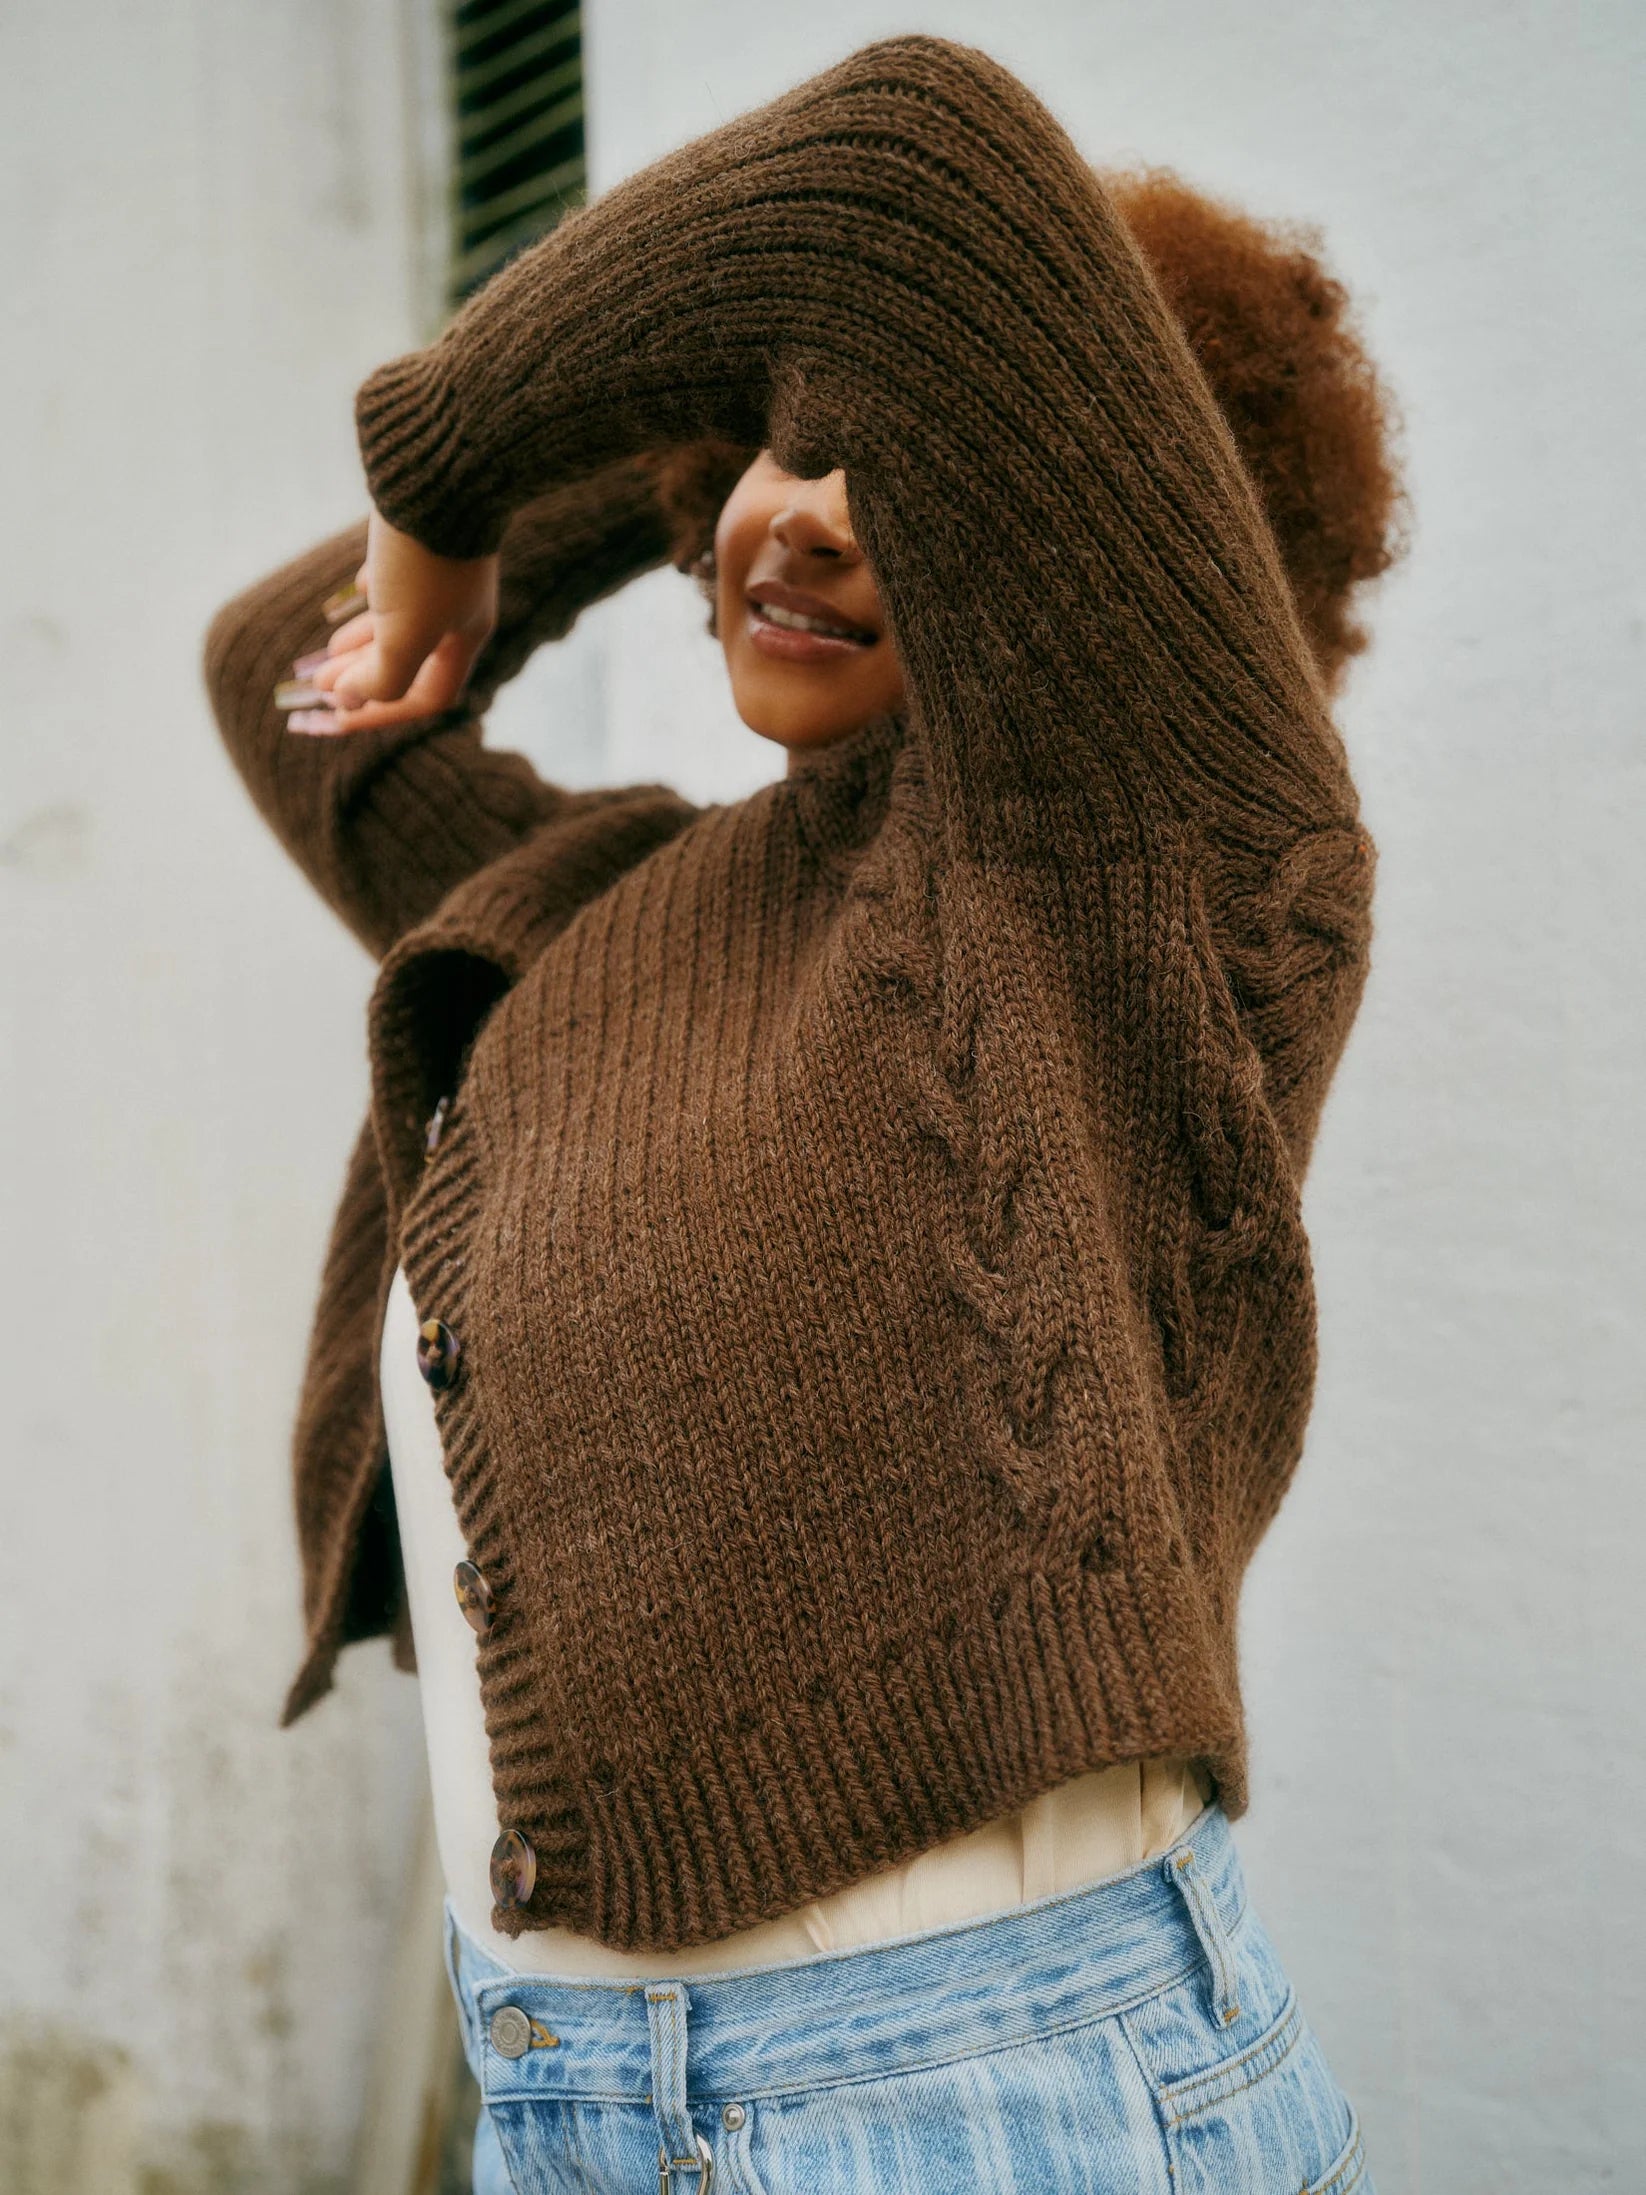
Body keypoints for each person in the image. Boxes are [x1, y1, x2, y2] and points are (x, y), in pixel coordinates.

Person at [205, 36, 1403, 2194]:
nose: (812, 506)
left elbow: (905, 164)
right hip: (567, 2100)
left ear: (1128, 559)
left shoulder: (1137, 884)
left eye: (899, 466)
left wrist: (450, 471)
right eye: (771, 455)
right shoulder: (607, 904)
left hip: (988, 2103)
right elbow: (285, 671)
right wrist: (668, 459)